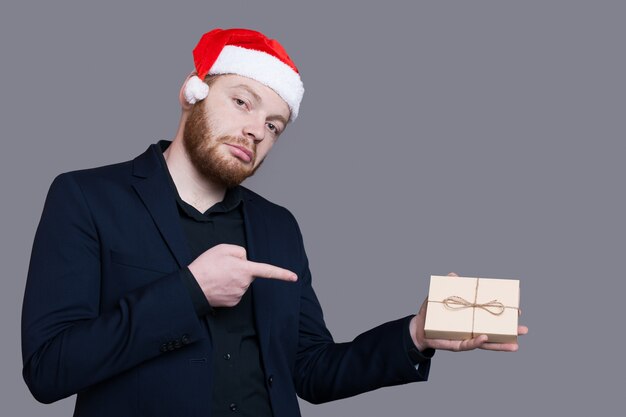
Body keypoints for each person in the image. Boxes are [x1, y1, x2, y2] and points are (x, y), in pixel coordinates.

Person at [21, 28, 528, 417]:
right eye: (241, 101)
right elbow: (49, 370)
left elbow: (311, 370)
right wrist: (190, 292)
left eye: (273, 125)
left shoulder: (278, 226)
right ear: (192, 93)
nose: (254, 131)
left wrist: (416, 334)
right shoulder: (86, 197)